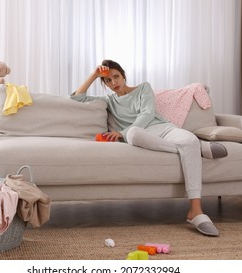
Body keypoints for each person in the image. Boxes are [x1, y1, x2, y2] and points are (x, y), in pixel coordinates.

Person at [71, 59, 227, 237]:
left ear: (123, 76)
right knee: (135, 133)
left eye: (116, 77)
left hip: (164, 129)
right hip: (140, 136)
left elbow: (147, 113)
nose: (113, 83)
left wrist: (122, 132)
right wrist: (94, 75)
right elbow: (77, 97)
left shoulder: (144, 88)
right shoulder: (109, 100)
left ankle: (196, 210)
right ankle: (198, 149)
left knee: (189, 139)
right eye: (108, 80)